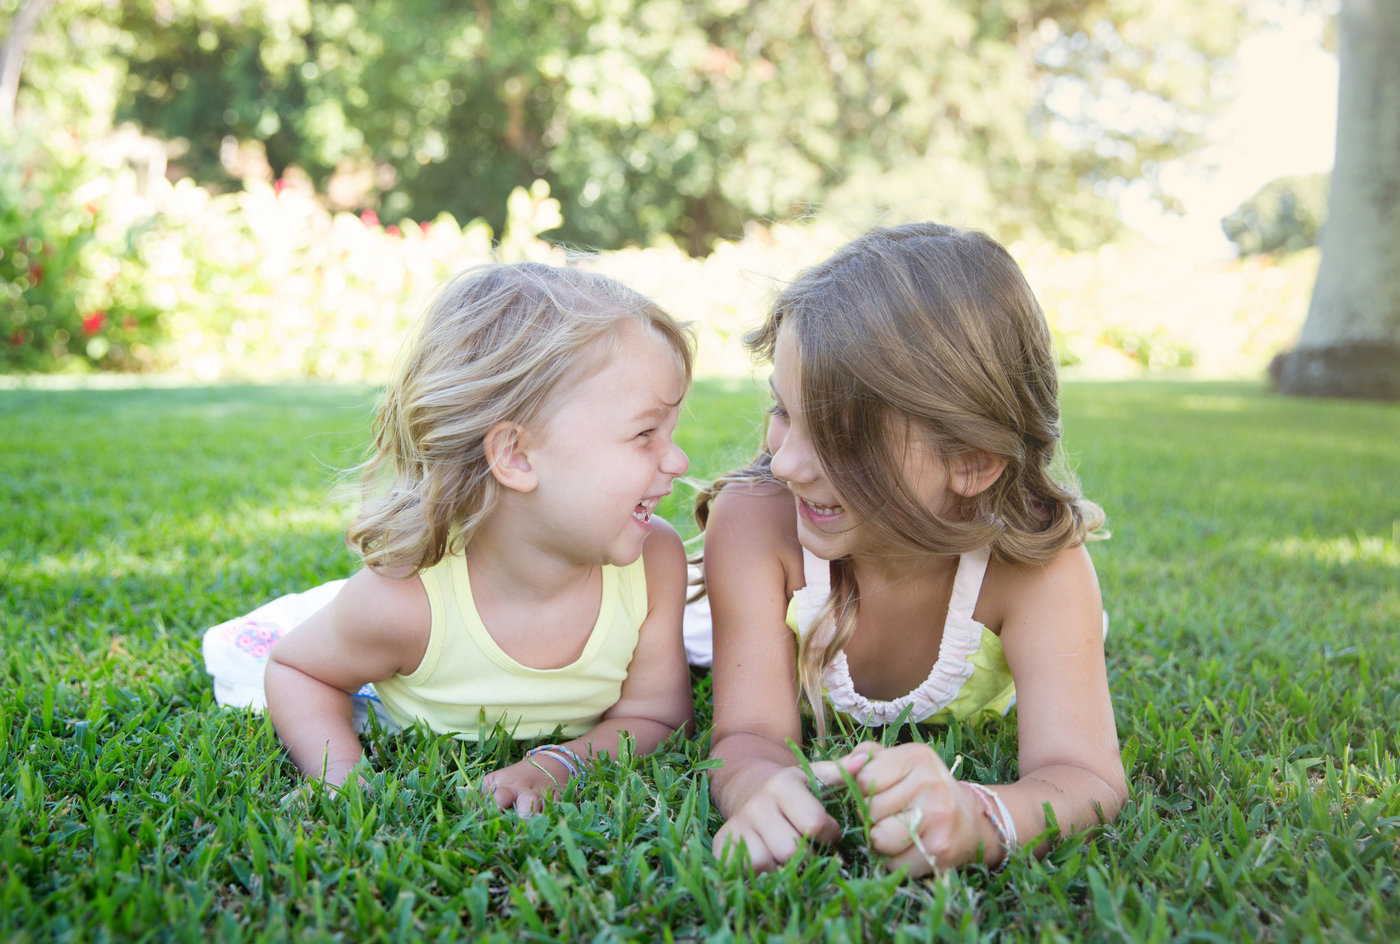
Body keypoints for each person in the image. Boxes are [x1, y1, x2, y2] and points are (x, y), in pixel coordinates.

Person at [697, 223, 1127, 875]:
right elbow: (747, 733)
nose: (783, 463)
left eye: (837, 436)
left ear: (973, 461)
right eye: (783, 411)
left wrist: (983, 817)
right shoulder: (755, 524)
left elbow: (1085, 775)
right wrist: (759, 787)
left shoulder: (1036, 568)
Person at [202, 263, 695, 813]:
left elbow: (656, 715)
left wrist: (556, 764)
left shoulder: (655, 563)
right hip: (394, 639)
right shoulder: (402, 601)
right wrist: (341, 777)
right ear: (515, 455)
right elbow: (298, 670)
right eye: (645, 434)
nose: (678, 459)